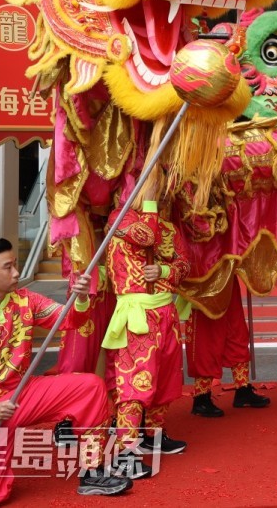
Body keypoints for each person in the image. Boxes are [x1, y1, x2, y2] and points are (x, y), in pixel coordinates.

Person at [0, 237, 132, 504]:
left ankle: (92, 471)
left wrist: (80, 299)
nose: (16, 273)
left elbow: (69, 319)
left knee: (89, 387)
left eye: (16, 265)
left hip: (24, 392)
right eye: (8, 267)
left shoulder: (24, 299)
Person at [101, 194, 189, 477]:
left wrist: (163, 269)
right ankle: (127, 452)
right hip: (138, 314)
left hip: (166, 313)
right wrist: (148, 203)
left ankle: (153, 434)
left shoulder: (170, 228)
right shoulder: (120, 219)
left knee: (165, 378)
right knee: (135, 383)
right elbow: (147, 237)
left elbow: (185, 265)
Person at [186, 276, 270, 417]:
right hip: (204, 280)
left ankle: (242, 389)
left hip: (227, 275)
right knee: (205, 341)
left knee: (237, 333)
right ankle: (201, 397)